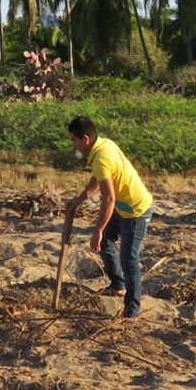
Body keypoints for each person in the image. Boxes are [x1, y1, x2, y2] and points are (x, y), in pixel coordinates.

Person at [64, 115, 154, 319]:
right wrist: (79, 200)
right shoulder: (103, 145)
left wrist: (97, 230)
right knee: (105, 241)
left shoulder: (102, 157)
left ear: (85, 139)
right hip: (123, 208)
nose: (73, 144)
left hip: (136, 210)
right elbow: (98, 179)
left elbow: (109, 199)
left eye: (74, 140)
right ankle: (118, 285)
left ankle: (131, 310)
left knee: (129, 259)